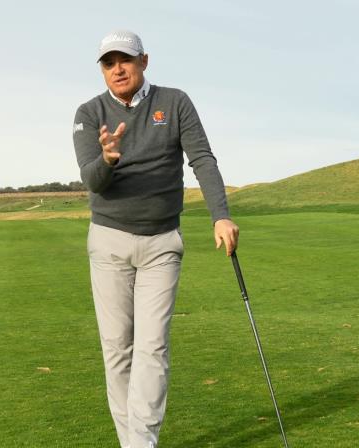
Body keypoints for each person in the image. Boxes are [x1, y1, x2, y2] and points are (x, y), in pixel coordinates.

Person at [72, 30, 239, 448]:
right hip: (109, 241)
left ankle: (142, 443)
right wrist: (107, 159)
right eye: (109, 63)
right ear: (102, 70)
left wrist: (220, 215)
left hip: (162, 243)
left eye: (125, 60)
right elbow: (92, 180)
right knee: (117, 349)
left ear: (143, 61)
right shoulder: (89, 113)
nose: (117, 69)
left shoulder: (175, 102)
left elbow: (202, 159)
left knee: (152, 348)